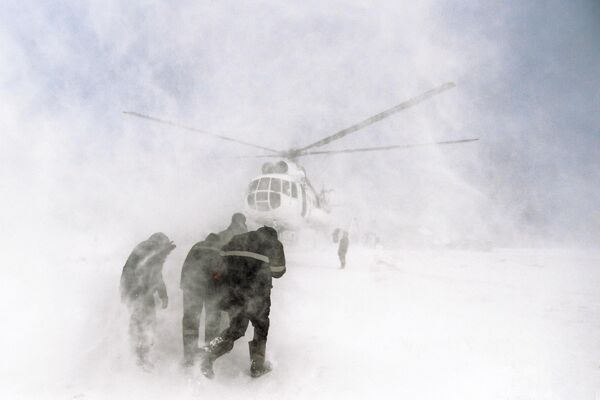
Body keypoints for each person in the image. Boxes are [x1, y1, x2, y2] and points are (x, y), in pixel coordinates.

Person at [199, 226, 286, 379]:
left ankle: (209, 354)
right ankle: (257, 367)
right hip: (256, 294)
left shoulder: (237, 239)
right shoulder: (273, 243)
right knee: (260, 327)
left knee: (237, 328)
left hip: (232, 293)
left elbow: (219, 263)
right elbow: (279, 271)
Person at [120, 232, 176, 369]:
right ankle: (138, 357)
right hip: (137, 292)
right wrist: (162, 251)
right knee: (144, 322)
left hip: (140, 292)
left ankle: (140, 356)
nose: (166, 256)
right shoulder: (147, 248)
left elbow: (155, 274)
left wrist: (163, 294)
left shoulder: (152, 252)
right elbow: (145, 266)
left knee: (146, 322)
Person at [179, 233, 225, 367]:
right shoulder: (220, 249)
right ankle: (208, 356)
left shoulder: (196, 246)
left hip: (191, 287)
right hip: (212, 289)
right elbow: (221, 272)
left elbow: (186, 267)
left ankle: (189, 356)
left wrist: (184, 286)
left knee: (190, 321)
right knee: (213, 321)